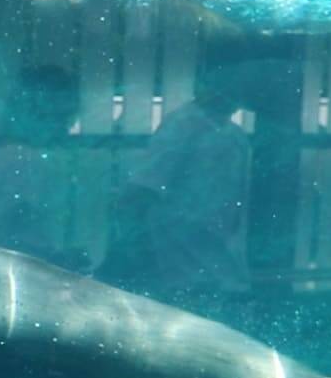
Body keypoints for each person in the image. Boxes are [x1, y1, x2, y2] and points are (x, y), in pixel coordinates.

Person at [100, 64, 253, 299]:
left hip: (220, 256)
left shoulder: (235, 134)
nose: (234, 92)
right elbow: (144, 187)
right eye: (225, 84)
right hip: (179, 259)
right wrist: (128, 247)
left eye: (239, 85)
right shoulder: (182, 125)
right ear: (202, 85)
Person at [0, 66, 88, 272]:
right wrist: (58, 259)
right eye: (59, 117)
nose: (66, 128)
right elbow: (10, 232)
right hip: (10, 274)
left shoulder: (0, 156)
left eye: (67, 117)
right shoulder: (21, 158)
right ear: (30, 111)